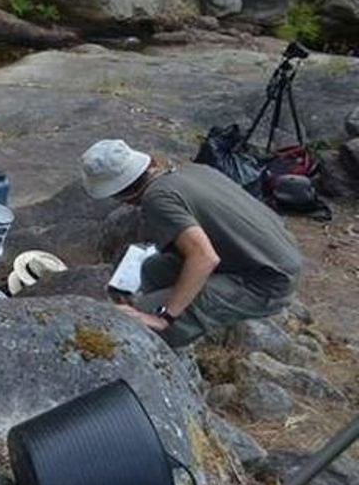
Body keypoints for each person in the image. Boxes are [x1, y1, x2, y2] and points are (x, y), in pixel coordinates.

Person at [80, 139, 303, 348]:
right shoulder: (192, 170)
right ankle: (186, 319)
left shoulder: (157, 199)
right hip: (266, 256)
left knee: (134, 325)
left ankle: (173, 342)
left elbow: (204, 257)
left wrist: (163, 317)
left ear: (118, 193)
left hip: (266, 280)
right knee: (152, 269)